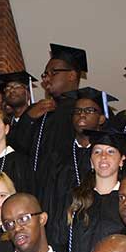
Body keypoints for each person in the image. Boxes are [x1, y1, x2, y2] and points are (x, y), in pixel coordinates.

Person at [53, 129, 126, 252]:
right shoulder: (75, 199)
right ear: (91, 161)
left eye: (110, 152)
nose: (103, 156)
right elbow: (59, 240)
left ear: (122, 160)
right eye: (97, 152)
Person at [23, 44, 87, 203]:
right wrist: (28, 118)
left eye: (53, 73)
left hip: (71, 192)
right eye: (45, 74)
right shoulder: (38, 110)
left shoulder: (87, 109)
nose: (46, 79)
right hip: (36, 190)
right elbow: (18, 147)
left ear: (71, 75)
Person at [0, 71, 37, 155]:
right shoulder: (5, 124)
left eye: (17, 86)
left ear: (28, 93)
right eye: (8, 88)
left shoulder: (38, 119)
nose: (11, 90)